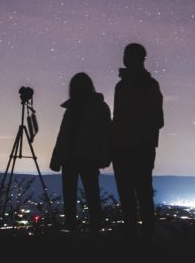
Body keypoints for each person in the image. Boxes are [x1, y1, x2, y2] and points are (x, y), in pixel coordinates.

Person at [111, 42, 163, 239]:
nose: (125, 58)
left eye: (129, 55)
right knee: (131, 193)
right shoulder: (122, 86)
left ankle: (144, 236)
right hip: (127, 147)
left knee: (141, 192)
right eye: (125, 54)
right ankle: (133, 236)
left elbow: (157, 119)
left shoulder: (148, 85)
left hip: (139, 147)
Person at [49, 72, 112, 234]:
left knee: (84, 196)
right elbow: (63, 135)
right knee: (87, 196)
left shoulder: (85, 108)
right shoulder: (92, 107)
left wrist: (57, 159)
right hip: (80, 158)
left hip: (83, 158)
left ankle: (85, 230)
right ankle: (85, 230)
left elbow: (105, 134)